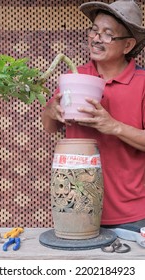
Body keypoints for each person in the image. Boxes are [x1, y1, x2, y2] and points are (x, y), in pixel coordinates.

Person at [41, 0, 145, 232]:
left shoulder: (143, 83)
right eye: (94, 31)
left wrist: (113, 126)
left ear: (127, 45)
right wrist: (50, 111)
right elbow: (49, 127)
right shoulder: (74, 76)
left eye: (108, 34)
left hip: (132, 215)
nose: (96, 39)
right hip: (76, 208)